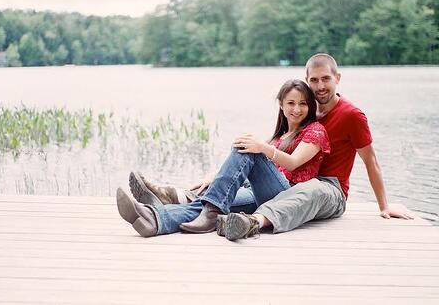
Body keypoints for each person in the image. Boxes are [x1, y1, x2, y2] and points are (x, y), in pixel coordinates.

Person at [126, 52, 413, 241]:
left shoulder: (349, 116)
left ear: (338, 78)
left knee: (303, 183)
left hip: (329, 188)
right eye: (314, 80)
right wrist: (217, 177)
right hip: (287, 187)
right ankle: (154, 218)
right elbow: (275, 158)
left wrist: (384, 206)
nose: (320, 85)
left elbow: (370, 159)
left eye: (326, 79)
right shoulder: (306, 116)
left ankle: (250, 222)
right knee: (224, 198)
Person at [115, 79, 330, 237]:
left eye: (303, 104)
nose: (297, 109)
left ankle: (175, 198)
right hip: (262, 196)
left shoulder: (315, 130)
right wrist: (218, 178)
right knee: (209, 202)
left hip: (288, 198)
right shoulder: (278, 137)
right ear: (281, 105)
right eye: (291, 103)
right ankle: (153, 218)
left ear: (310, 106)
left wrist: (262, 148)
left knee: (246, 147)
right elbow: (251, 174)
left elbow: (293, 163)